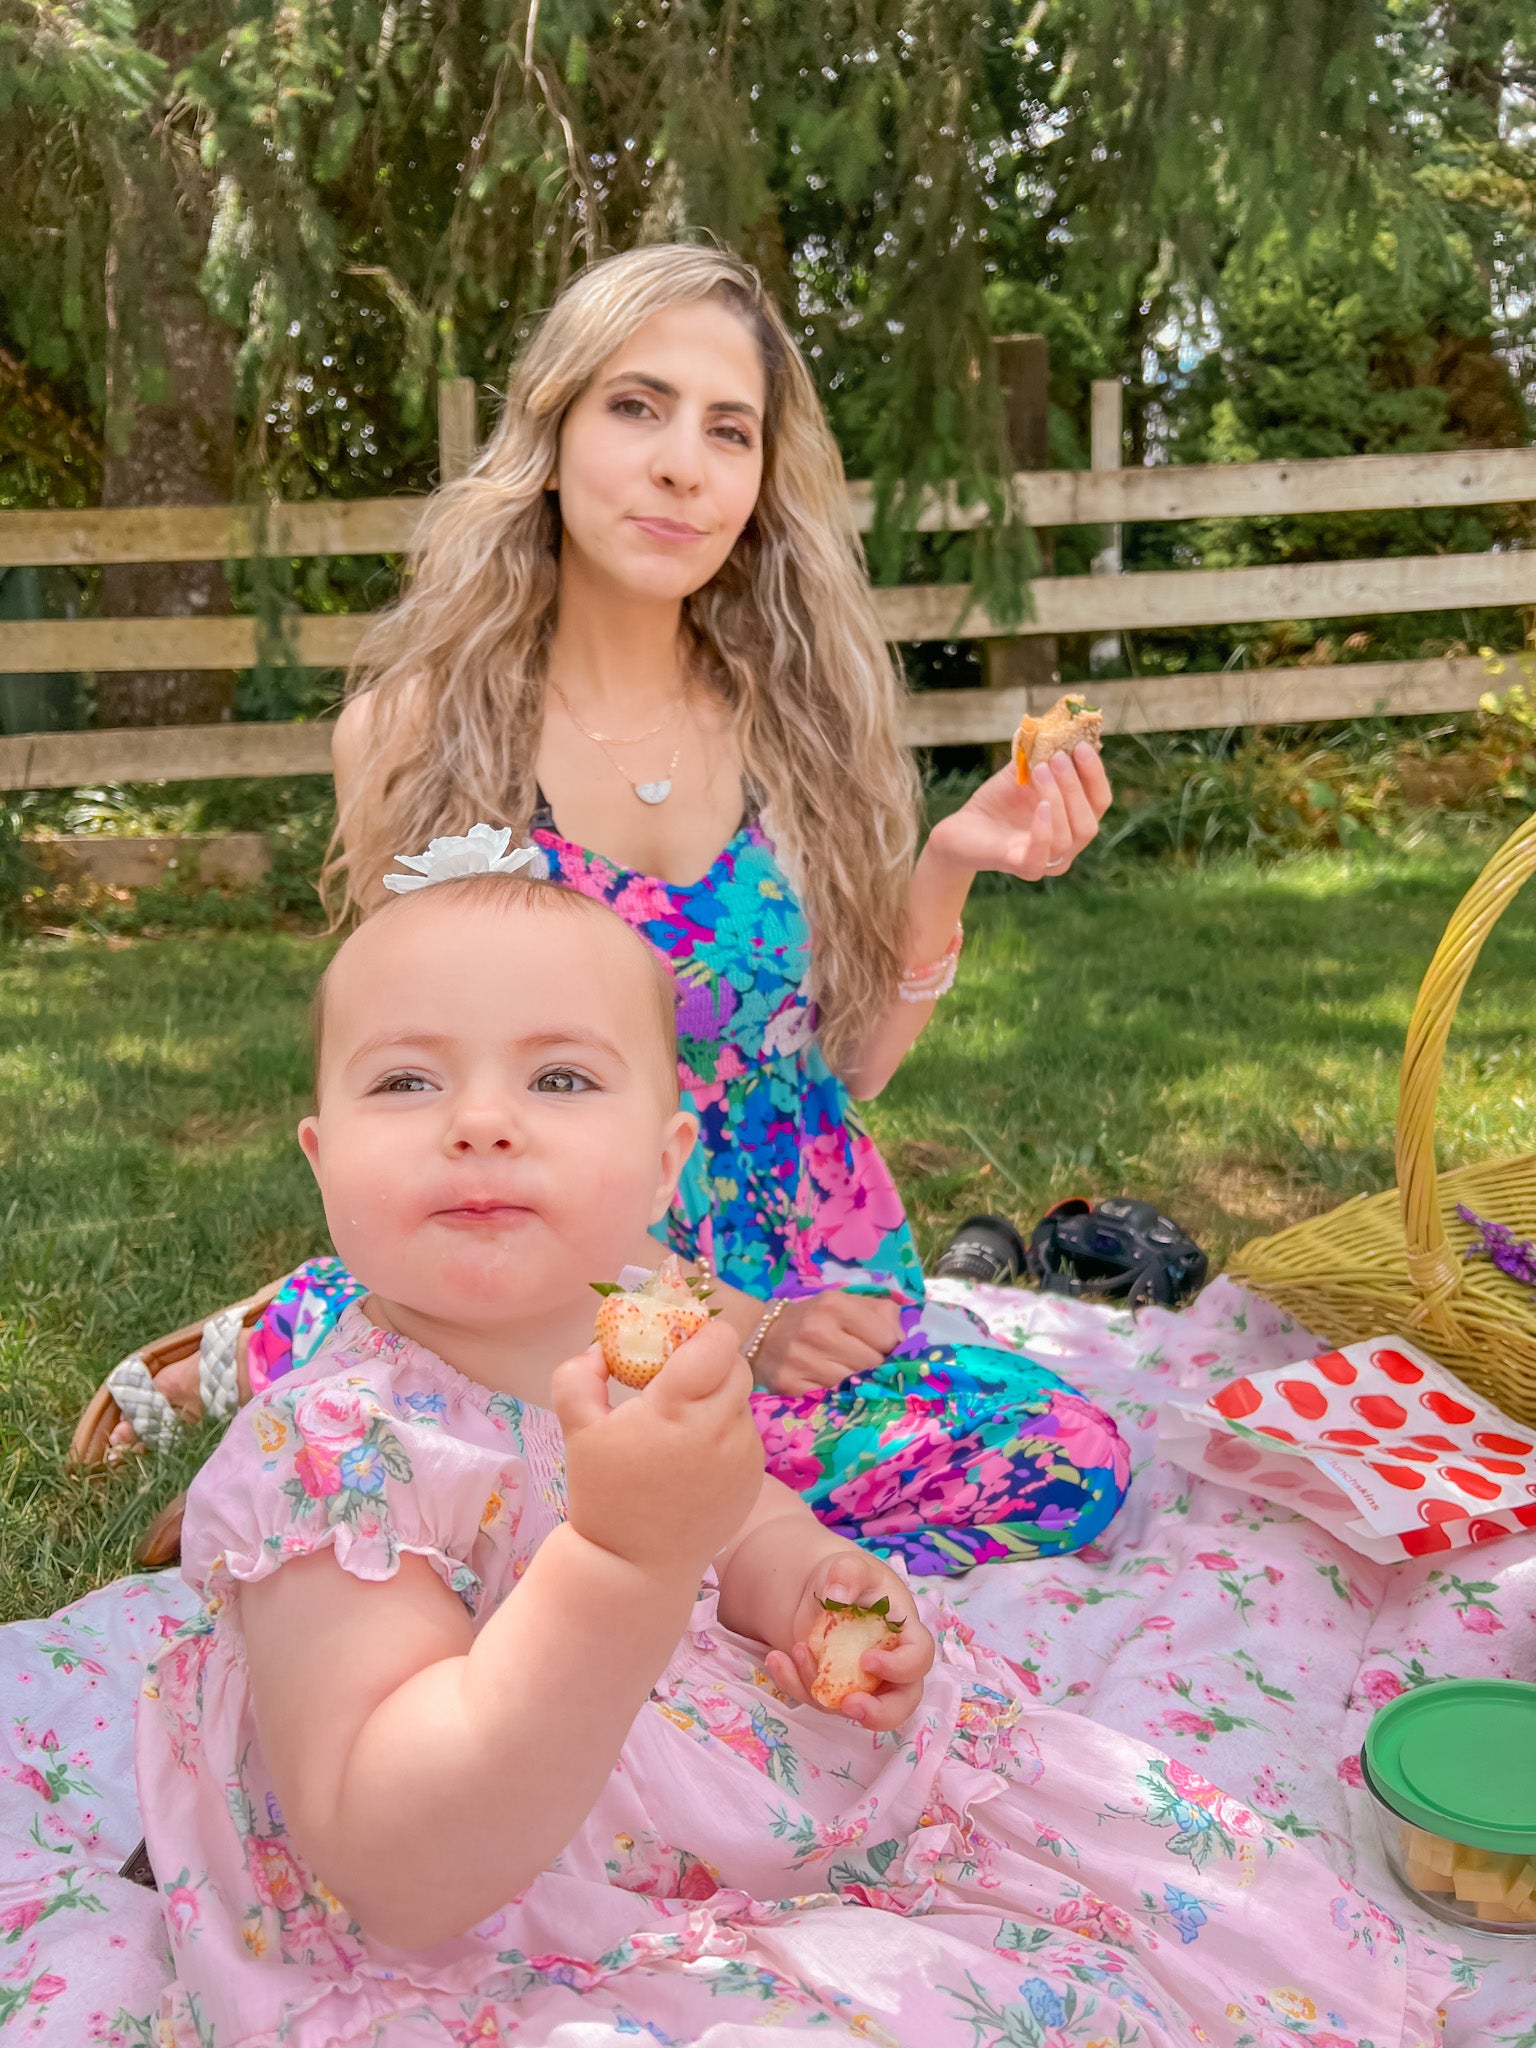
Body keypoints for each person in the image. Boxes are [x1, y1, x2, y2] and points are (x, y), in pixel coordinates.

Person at [136, 868, 1456, 2047]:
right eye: (408, 1079)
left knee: (1069, 1865)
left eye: (558, 1078)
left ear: (662, 1168)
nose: (480, 1120)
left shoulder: (639, 1325)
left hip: (642, 1741)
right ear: (320, 1158)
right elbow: (400, 1862)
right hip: (483, 1869)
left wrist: (811, 1578)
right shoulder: (333, 1448)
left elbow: (734, 1511)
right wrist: (621, 1557)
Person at [96, 239, 1127, 1575]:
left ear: (760, 482)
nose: (681, 463)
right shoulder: (423, 733)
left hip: (810, 1265)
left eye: (728, 429)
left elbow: (847, 1068)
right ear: (556, 429)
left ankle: (433, 1455)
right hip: (545, 1269)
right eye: (636, 406)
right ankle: (357, 1378)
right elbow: (420, 1093)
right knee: (632, 1457)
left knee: (1067, 1461)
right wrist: (729, 1324)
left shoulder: (803, 725)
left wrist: (947, 868)